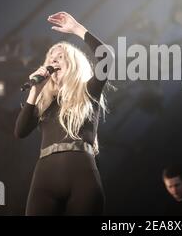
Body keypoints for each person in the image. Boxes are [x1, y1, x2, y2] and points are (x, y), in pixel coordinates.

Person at [14, 11, 114, 215]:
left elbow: (106, 59)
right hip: (44, 180)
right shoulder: (44, 103)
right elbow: (20, 132)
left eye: (61, 57)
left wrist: (77, 29)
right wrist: (35, 90)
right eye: (51, 58)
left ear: (73, 64)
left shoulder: (88, 91)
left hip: (82, 178)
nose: (54, 61)